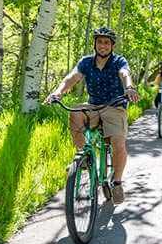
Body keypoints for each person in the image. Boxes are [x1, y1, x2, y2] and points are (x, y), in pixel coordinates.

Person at [45, 26, 139, 204]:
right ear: (95, 44)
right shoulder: (86, 62)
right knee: (75, 114)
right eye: (99, 42)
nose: (102, 45)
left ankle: (117, 182)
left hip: (114, 106)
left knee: (118, 144)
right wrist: (58, 92)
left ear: (112, 45)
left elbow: (124, 74)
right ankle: (85, 158)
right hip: (93, 106)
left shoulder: (119, 61)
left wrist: (129, 88)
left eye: (106, 42)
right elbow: (72, 78)